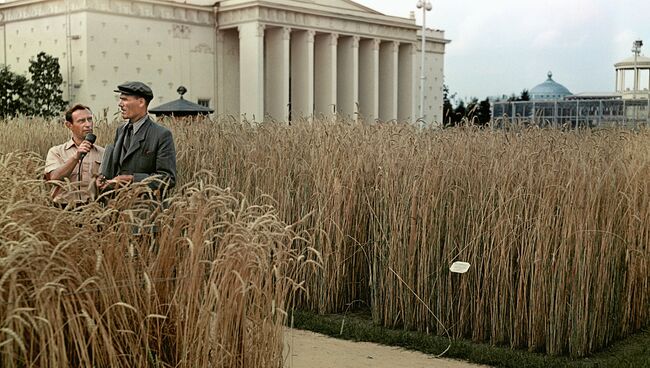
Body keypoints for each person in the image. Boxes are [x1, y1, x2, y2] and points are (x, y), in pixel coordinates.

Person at [97, 81, 176, 198]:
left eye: (125, 99)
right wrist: (104, 179)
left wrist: (132, 179)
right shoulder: (120, 130)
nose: (120, 104)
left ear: (141, 102)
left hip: (144, 210)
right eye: (120, 99)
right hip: (117, 208)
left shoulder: (161, 135)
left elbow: (167, 178)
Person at [44, 104, 104, 207]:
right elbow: (54, 178)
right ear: (69, 125)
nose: (88, 124)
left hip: (92, 210)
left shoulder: (103, 153)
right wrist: (76, 157)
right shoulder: (56, 152)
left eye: (89, 119)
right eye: (81, 121)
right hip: (63, 209)